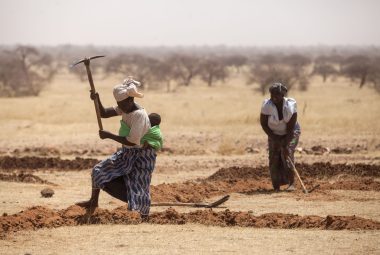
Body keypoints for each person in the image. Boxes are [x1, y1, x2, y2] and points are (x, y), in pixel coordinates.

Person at [76, 78, 162, 218]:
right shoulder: (125, 108)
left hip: (141, 156)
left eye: (121, 104)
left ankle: (139, 210)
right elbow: (103, 113)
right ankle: (93, 201)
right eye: (118, 104)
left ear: (130, 100)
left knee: (137, 189)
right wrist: (96, 100)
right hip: (127, 153)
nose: (119, 107)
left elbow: (132, 141)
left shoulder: (139, 115)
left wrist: (109, 135)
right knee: (98, 171)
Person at [260, 82, 301, 192]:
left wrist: (285, 144)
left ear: (283, 95)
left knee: (287, 153)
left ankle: (292, 183)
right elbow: (263, 124)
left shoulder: (290, 106)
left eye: (277, 94)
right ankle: (276, 186)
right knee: (273, 156)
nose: (274, 97)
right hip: (274, 133)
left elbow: (291, 128)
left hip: (291, 132)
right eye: (272, 94)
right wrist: (274, 138)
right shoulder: (266, 106)